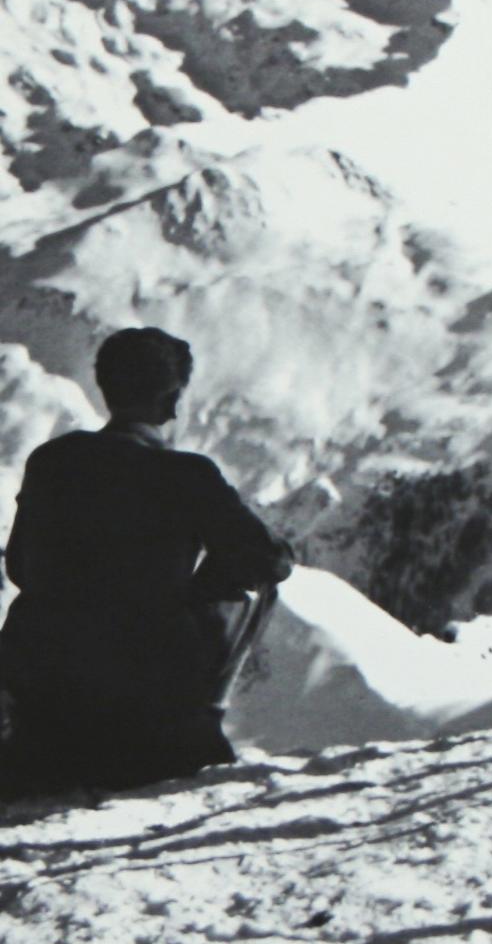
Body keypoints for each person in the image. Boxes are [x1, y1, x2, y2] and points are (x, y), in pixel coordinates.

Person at [0, 328, 293, 795]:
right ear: (173, 401)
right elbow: (269, 560)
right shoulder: (187, 476)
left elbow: (19, 567)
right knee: (252, 586)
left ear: (106, 387)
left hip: (40, 687)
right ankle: (200, 722)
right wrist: (200, 590)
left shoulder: (51, 462)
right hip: (147, 696)